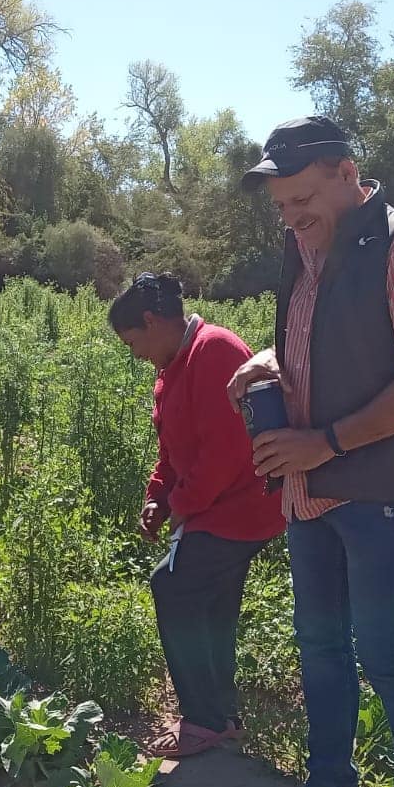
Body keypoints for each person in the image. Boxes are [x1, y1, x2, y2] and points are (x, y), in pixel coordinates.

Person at [227, 115, 394, 787]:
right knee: (321, 651)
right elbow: (325, 342)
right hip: (311, 491)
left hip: (380, 493)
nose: (292, 214)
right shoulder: (308, 254)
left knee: (388, 658)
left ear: (344, 171)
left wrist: (321, 442)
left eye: (302, 196)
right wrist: (264, 362)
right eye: (281, 204)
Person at [110, 273, 285, 758]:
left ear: (151, 321)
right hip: (215, 508)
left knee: (173, 585)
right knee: (211, 603)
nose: (135, 354)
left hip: (241, 508)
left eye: (133, 343)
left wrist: (180, 508)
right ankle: (221, 716)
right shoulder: (176, 364)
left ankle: (205, 718)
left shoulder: (215, 352)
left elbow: (225, 455)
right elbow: (175, 451)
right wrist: (158, 497)